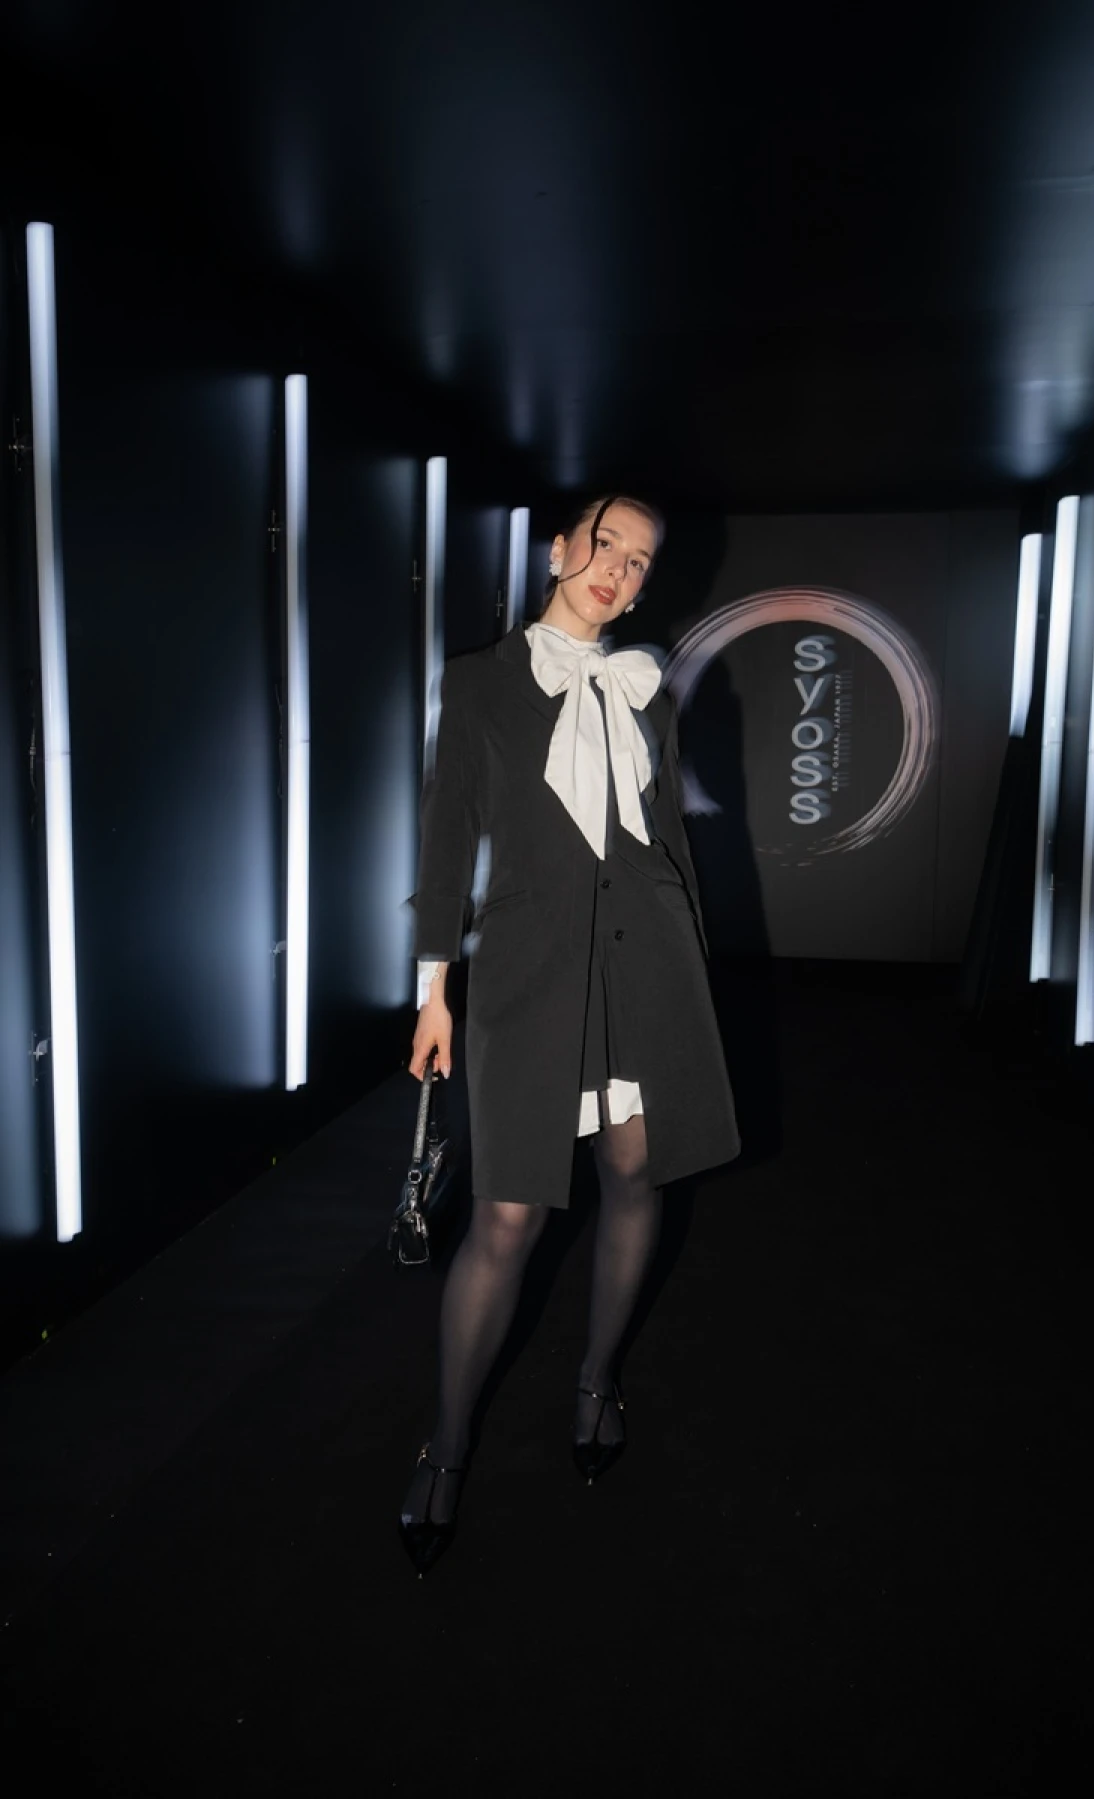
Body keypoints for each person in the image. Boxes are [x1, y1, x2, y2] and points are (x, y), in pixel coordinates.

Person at [399, 494, 740, 1575]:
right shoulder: (481, 681)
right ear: (559, 548)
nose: (618, 570)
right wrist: (434, 986)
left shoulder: (649, 685)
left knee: (634, 1172)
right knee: (505, 1214)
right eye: (606, 545)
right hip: (529, 972)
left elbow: (669, 839)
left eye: (639, 562)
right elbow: (447, 838)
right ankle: (447, 1442)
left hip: (648, 963)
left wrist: (694, 976)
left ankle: (596, 1380)